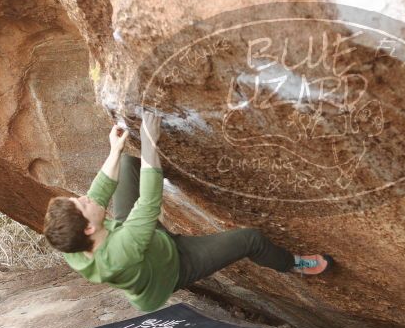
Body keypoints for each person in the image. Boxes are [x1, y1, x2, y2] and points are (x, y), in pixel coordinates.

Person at [43, 111, 333, 312]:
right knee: (251, 239)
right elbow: (148, 202)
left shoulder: (73, 244)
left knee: (128, 165)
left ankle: (138, 164)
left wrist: (114, 151)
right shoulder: (120, 252)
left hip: (134, 234)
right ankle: (293, 263)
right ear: (89, 229)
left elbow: (98, 195)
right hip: (175, 265)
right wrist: (150, 141)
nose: (84, 197)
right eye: (81, 205)